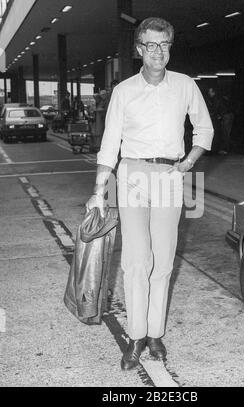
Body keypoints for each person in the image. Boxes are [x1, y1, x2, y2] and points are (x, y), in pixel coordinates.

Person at [85, 17, 213, 370]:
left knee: (164, 258)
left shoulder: (186, 85)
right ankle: (137, 336)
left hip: (171, 175)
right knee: (136, 260)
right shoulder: (124, 91)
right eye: (151, 45)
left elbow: (204, 129)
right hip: (132, 175)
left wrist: (188, 162)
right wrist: (99, 191)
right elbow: (110, 143)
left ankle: (156, 333)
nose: (158, 52)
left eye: (164, 45)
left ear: (170, 47)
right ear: (139, 49)